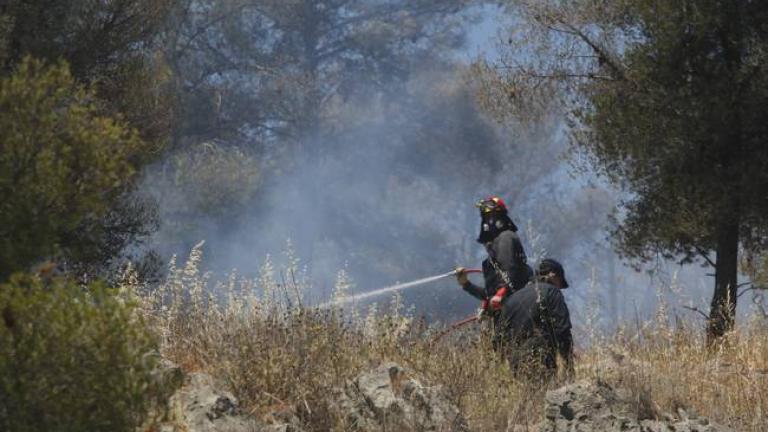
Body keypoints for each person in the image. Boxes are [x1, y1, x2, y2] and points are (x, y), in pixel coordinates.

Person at [498, 258, 574, 379]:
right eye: (560, 282)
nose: (559, 288)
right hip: (541, 358)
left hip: (516, 363)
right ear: (553, 275)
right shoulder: (552, 292)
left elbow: (499, 336)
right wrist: (568, 364)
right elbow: (562, 329)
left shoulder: (512, 298)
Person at [456, 196, 530, 314]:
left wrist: (502, 291)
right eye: (486, 217)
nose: (488, 221)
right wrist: (466, 284)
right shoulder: (490, 261)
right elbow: (489, 295)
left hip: (519, 307)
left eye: (492, 215)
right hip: (507, 312)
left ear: (500, 217)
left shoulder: (506, 237)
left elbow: (509, 268)